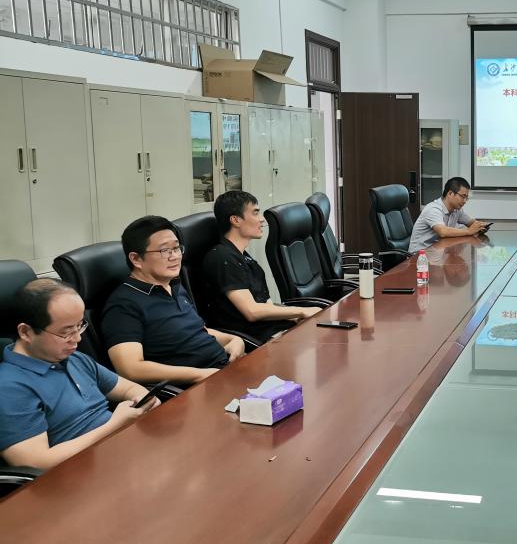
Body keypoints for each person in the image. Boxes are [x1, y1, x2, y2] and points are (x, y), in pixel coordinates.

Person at [0, 279, 158, 469]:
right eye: (66, 332)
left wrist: (142, 400)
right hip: (80, 473)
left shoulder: (74, 358)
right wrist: (115, 423)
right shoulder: (9, 387)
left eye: (79, 326)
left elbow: (129, 388)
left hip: (124, 451)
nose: (77, 339)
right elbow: (35, 462)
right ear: (26, 332)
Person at [103, 216, 245, 386]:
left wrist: (233, 340)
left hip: (225, 370)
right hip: (198, 387)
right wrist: (200, 375)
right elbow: (130, 369)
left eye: (177, 248)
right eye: (165, 251)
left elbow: (197, 332)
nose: (175, 256)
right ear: (136, 259)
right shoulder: (123, 305)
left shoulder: (174, 286)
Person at [203, 191, 321, 343]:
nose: (262, 219)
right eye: (255, 213)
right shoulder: (222, 258)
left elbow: (265, 304)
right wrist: (302, 311)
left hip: (274, 329)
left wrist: (292, 316)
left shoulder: (242, 256)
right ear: (235, 220)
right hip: (258, 339)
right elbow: (252, 311)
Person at [408, 177, 488, 253]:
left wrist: (481, 226)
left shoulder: (457, 210)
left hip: (437, 252)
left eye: (466, 198)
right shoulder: (433, 209)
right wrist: (469, 231)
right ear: (450, 193)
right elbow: (443, 232)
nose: (464, 201)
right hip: (419, 256)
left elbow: (471, 222)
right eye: (463, 196)